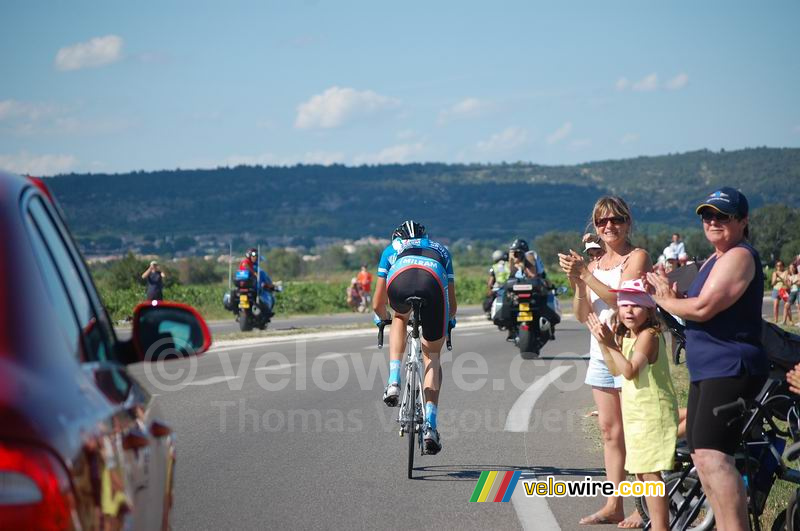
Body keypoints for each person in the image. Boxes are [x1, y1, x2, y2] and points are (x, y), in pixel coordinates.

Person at [646, 187, 767, 531]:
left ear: (743, 221)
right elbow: (692, 302)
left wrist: (666, 300)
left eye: (723, 216)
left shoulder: (740, 256)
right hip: (709, 369)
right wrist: (668, 294)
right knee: (701, 455)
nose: (713, 222)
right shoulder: (714, 258)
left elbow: (703, 308)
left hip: (731, 367)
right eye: (707, 216)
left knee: (715, 457)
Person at [558, 195, 652, 527]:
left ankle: (645, 509)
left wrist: (586, 274)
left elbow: (626, 298)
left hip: (629, 352)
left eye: (616, 220)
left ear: (628, 222)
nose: (609, 226)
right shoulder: (595, 266)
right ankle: (614, 504)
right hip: (600, 352)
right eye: (602, 222)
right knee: (610, 432)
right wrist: (578, 281)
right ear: (595, 228)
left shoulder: (636, 257)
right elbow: (581, 313)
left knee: (637, 430)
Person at [586, 279, 678, 531]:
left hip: (651, 411)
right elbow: (616, 368)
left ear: (649, 310)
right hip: (636, 413)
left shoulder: (649, 335)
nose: (628, 310)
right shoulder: (630, 335)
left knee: (649, 475)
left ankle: (661, 527)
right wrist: (606, 344)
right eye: (624, 304)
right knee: (640, 473)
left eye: (636, 305)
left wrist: (609, 343)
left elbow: (628, 371)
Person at [373, 220, 457, 455]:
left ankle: (393, 382)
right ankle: (430, 425)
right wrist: (448, 321)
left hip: (401, 283)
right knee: (432, 356)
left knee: (400, 316)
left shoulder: (392, 250)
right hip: (432, 283)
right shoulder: (440, 249)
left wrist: (382, 318)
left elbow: (378, 303)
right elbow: (452, 303)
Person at [484, 250, 510, 316]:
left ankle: (489, 313)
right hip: (509, 286)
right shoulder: (509, 265)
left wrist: (489, 289)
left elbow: (490, 282)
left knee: (489, 298)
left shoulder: (494, 267)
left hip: (498, 287)